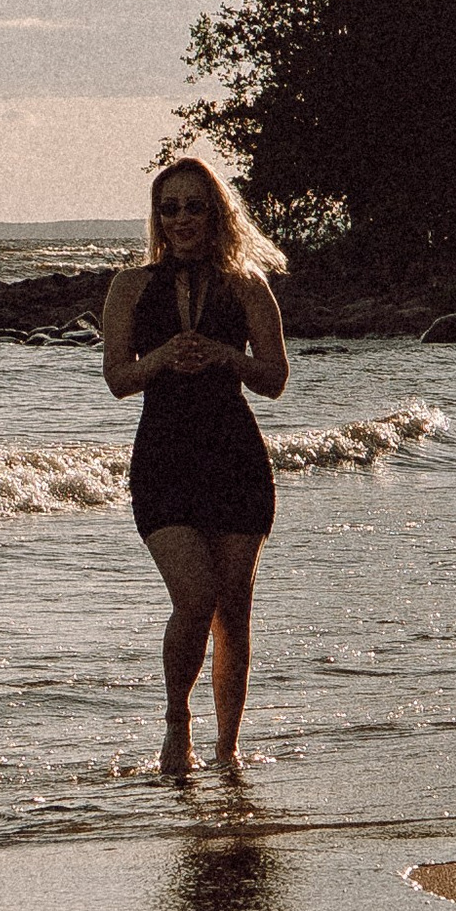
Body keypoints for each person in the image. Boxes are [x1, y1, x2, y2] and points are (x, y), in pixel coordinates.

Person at [101, 154, 290, 777]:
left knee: (233, 609)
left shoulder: (247, 285)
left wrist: (221, 355)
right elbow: (118, 379)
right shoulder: (130, 286)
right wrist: (162, 358)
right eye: (169, 208)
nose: (180, 218)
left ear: (216, 213)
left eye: (193, 206)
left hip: (235, 457)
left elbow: (274, 378)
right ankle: (176, 723)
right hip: (164, 459)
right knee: (195, 597)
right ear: (157, 218)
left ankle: (228, 749)